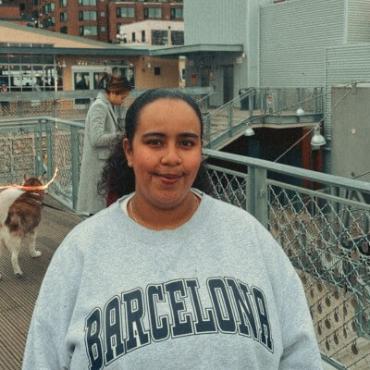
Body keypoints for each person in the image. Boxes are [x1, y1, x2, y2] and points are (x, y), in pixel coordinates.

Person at [22, 89, 322, 369]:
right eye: (155, 142)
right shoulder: (81, 249)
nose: (171, 157)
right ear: (129, 150)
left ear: (201, 151)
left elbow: (300, 350)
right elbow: (42, 358)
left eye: (186, 143)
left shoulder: (249, 235)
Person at [77, 74, 131, 215]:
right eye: (122, 97)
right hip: (97, 166)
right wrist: (121, 136)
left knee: (99, 208)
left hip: (101, 164)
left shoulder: (106, 105)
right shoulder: (100, 107)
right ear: (113, 92)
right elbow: (96, 138)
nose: (122, 101)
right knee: (96, 210)